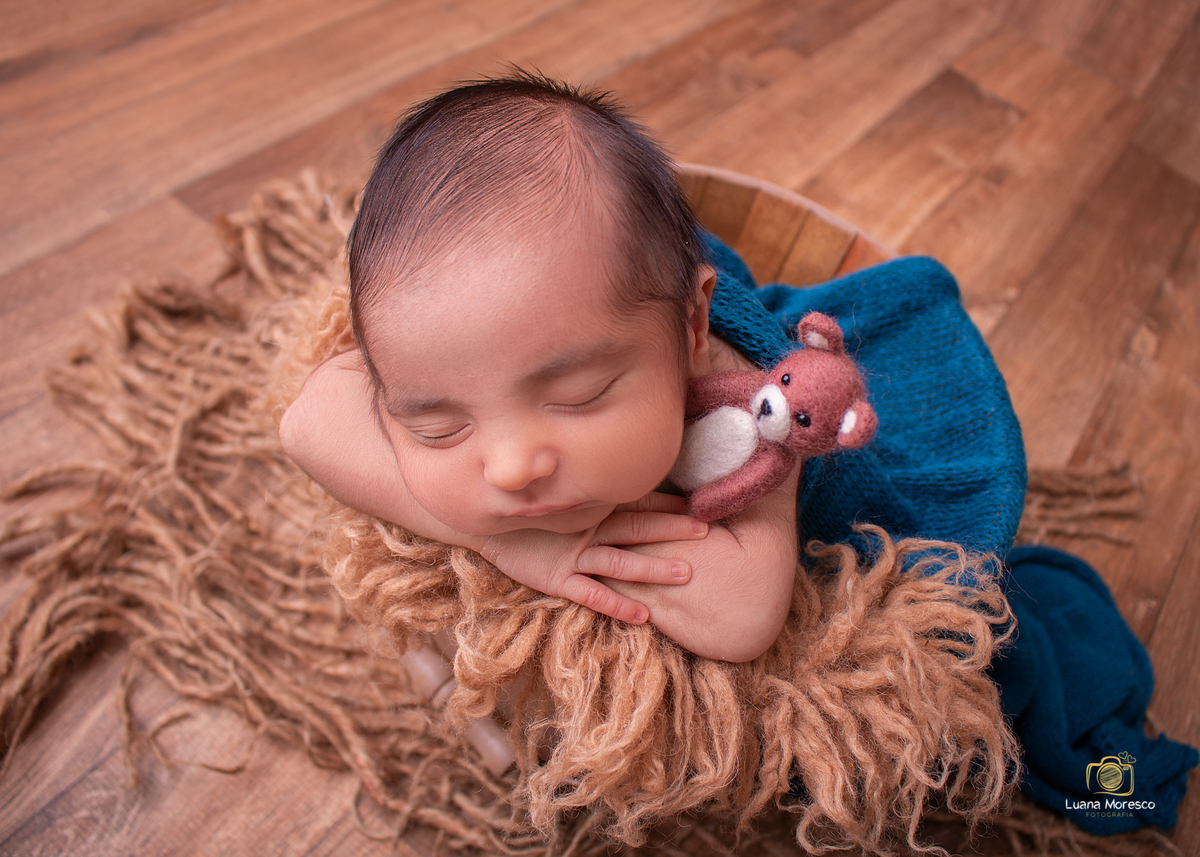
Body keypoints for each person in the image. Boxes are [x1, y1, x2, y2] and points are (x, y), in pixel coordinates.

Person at [279, 71, 800, 663]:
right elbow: (306, 422)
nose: (510, 469)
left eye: (578, 395)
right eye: (439, 429)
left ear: (693, 326)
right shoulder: (439, 342)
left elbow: (742, 615)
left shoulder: (755, 408)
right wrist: (510, 545)